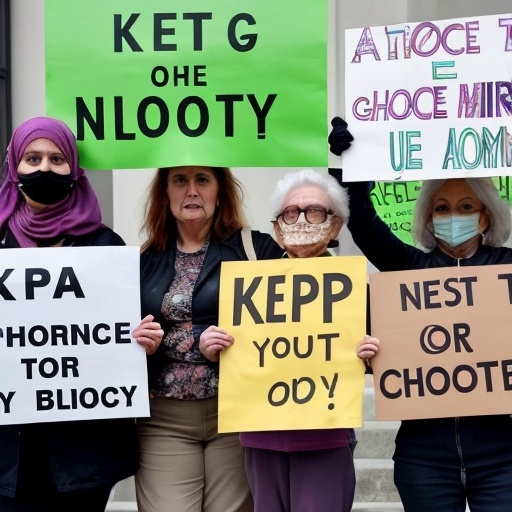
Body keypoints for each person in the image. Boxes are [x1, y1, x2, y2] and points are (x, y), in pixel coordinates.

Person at [329, 118, 512, 512]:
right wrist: (351, 166)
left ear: (485, 217)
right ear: (427, 219)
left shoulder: (508, 269)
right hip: (425, 458)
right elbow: (362, 222)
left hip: (503, 454)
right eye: (441, 208)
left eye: (466, 207)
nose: (453, 215)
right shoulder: (408, 267)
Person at [0, 116, 163, 512]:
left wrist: (144, 340)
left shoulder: (105, 245)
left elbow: (123, 334)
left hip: (83, 454)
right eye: (32, 158)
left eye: (57, 159)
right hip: (8, 453)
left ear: (74, 170)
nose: (44, 169)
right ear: (13, 166)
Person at [201, 169, 358, 512]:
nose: (301, 220)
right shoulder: (249, 287)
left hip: (325, 434)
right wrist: (211, 345)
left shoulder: (354, 291)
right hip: (261, 434)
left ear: (335, 225)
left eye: (315, 211)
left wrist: (371, 353)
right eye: (290, 212)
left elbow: (378, 359)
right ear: (276, 227)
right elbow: (236, 348)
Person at [135, 165, 284, 512]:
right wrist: (141, 344)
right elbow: (113, 340)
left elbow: (287, 326)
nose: (191, 191)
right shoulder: (141, 260)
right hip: (163, 420)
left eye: (202, 180)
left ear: (220, 191)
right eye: (180, 181)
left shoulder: (256, 249)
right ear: (165, 192)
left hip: (235, 416)